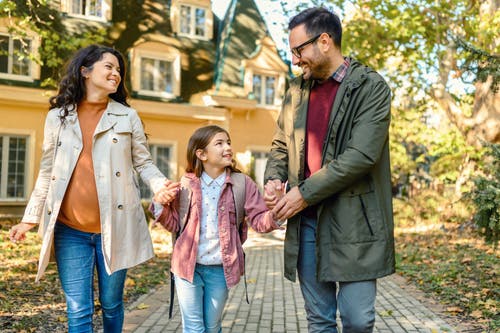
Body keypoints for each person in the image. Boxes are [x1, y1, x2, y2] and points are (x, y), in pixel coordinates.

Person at [9, 44, 177, 332]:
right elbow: (48, 172)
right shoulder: (58, 117)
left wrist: (160, 185)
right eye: (108, 66)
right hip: (69, 231)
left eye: (119, 70)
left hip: (115, 229)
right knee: (78, 310)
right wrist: (29, 218)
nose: (116, 73)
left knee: (111, 305)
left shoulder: (127, 116)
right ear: (85, 71)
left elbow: (144, 163)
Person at [263, 7, 395, 333]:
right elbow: (281, 145)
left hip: (355, 221)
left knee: (358, 320)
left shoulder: (371, 87)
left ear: (324, 41)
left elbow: (361, 156)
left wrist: (303, 194)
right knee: (319, 321)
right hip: (306, 223)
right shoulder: (295, 91)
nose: (294, 60)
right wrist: (273, 179)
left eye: (299, 50)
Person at [152, 125, 282, 333]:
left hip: (220, 269)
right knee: (194, 328)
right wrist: (159, 203)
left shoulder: (242, 184)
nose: (227, 147)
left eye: (228, 142)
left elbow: (259, 220)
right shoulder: (186, 184)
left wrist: (276, 213)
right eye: (219, 143)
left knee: (212, 327)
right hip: (188, 268)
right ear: (201, 154)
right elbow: (174, 224)